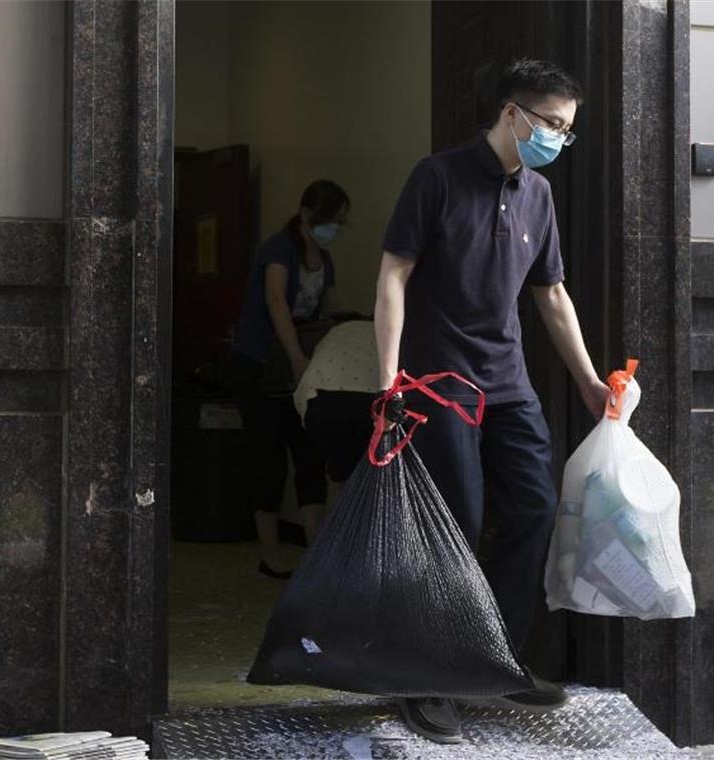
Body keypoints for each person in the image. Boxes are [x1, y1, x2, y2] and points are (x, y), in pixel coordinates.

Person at [373, 59, 610, 739]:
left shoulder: (537, 194)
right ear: (513, 114)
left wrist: (590, 382)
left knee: (533, 508)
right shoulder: (437, 177)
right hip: (436, 381)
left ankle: (487, 660)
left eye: (568, 131)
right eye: (553, 125)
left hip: (507, 384)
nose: (560, 140)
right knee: (456, 520)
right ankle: (426, 674)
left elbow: (552, 295)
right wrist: (387, 378)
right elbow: (393, 273)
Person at [231, 180, 350, 580]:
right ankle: (270, 553)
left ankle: (315, 552)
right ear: (305, 216)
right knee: (267, 456)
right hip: (264, 364)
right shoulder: (278, 249)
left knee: (309, 453)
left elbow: (325, 314)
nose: (332, 228)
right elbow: (276, 302)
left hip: (303, 368)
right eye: (328, 221)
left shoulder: (325, 259)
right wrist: (298, 358)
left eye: (338, 223)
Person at [293, 318, 381, 485]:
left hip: (322, 400)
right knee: (376, 480)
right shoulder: (384, 330)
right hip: (372, 401)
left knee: (342, 478)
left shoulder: (335, 332)